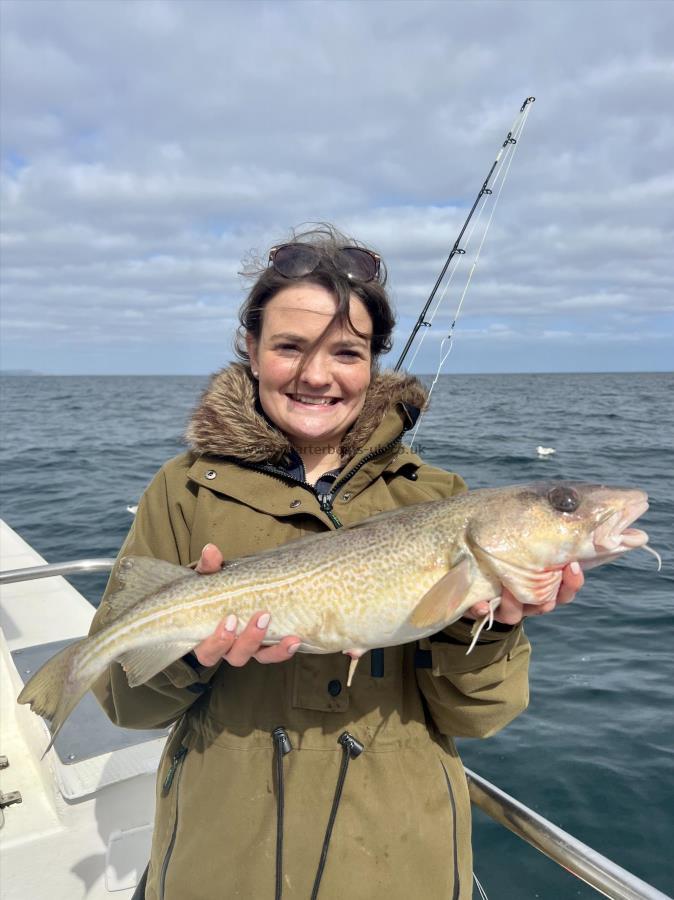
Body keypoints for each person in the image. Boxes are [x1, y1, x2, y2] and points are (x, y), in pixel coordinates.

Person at [90, 225, 583, 900]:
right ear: (252, 351)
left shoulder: (438, 499)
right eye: (290, 346)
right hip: (224, 863)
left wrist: (489, 630)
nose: (318, 375)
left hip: (401, 861)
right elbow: (124, 701)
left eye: (347, 352)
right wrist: (192, 653)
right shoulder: (182, 490)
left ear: (373, 362)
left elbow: (479, 717)